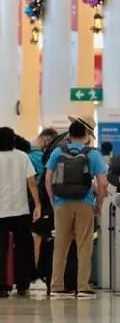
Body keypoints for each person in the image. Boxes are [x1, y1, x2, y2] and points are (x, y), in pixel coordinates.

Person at [45, 117, 108, 299]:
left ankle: (57, 287)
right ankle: (82, 287)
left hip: (61, 203)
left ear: (70, 135)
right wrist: (98, 205)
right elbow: (102, 183)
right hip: (84, 203)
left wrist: (53, 201)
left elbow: (48, 178)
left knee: (60, 246)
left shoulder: (58, 151)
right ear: (87, 135)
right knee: (84, 246)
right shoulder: (93, 154)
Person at [0, 127, 42, 297]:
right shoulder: (22, 157)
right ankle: (22, 284)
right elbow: (32, 183)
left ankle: (1, 287)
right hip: (21, 210)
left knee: (0, 250)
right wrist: (37, 204)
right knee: (23, 248)